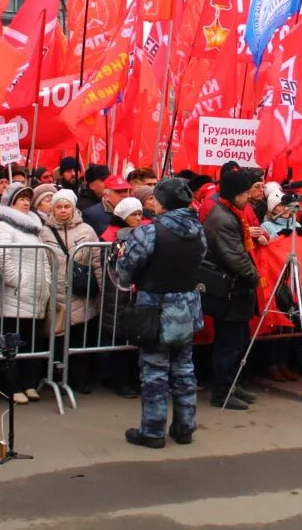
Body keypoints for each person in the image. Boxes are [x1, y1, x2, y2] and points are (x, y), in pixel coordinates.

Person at [115, 178, 206, 447]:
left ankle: (153, 431)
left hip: (155, 308)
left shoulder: (149, 232)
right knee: (184, 369)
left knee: (154, 371)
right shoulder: (197, 229)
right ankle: (184, 427)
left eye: (155, 198)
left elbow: (125, 271)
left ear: (164, 202)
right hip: (187, 306)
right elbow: (199, 259)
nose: (151, 203)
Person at [202, 170, 262, 409]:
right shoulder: (222, 218)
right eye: (245, 192)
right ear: (234, 194)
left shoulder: (233, 212)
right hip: (229, 289)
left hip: (237, 290)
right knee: (228, 343)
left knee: (238, 340)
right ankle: (222, 392)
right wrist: (256, 278)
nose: (249, 196)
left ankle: (233, 384)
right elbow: (235, 257)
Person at [0, 182, 53, 404]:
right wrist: (16, 281)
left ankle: (29, 383)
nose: (26, 203)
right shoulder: (3, 227)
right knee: (12, 343)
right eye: (21, 199)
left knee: (33, 342)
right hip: (14, 296)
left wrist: (47, 284)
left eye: (28, 198)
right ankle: (12, 386)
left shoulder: (35, 228)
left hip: (35, 295)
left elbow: (44, 257)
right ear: (10, 203)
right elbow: (1, 257)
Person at [40, 188, 103, 393]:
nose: (63, 210)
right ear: (53, 209)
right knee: (57, 336)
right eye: (58, 207)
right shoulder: (45, 232)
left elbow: (96, 262)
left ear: (73, 208)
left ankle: (79, 378)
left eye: (67, 206)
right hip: (56, 292)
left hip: (81, 291)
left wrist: (101, 288)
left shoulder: (87, 231)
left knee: (79, 337)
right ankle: (56, 375)